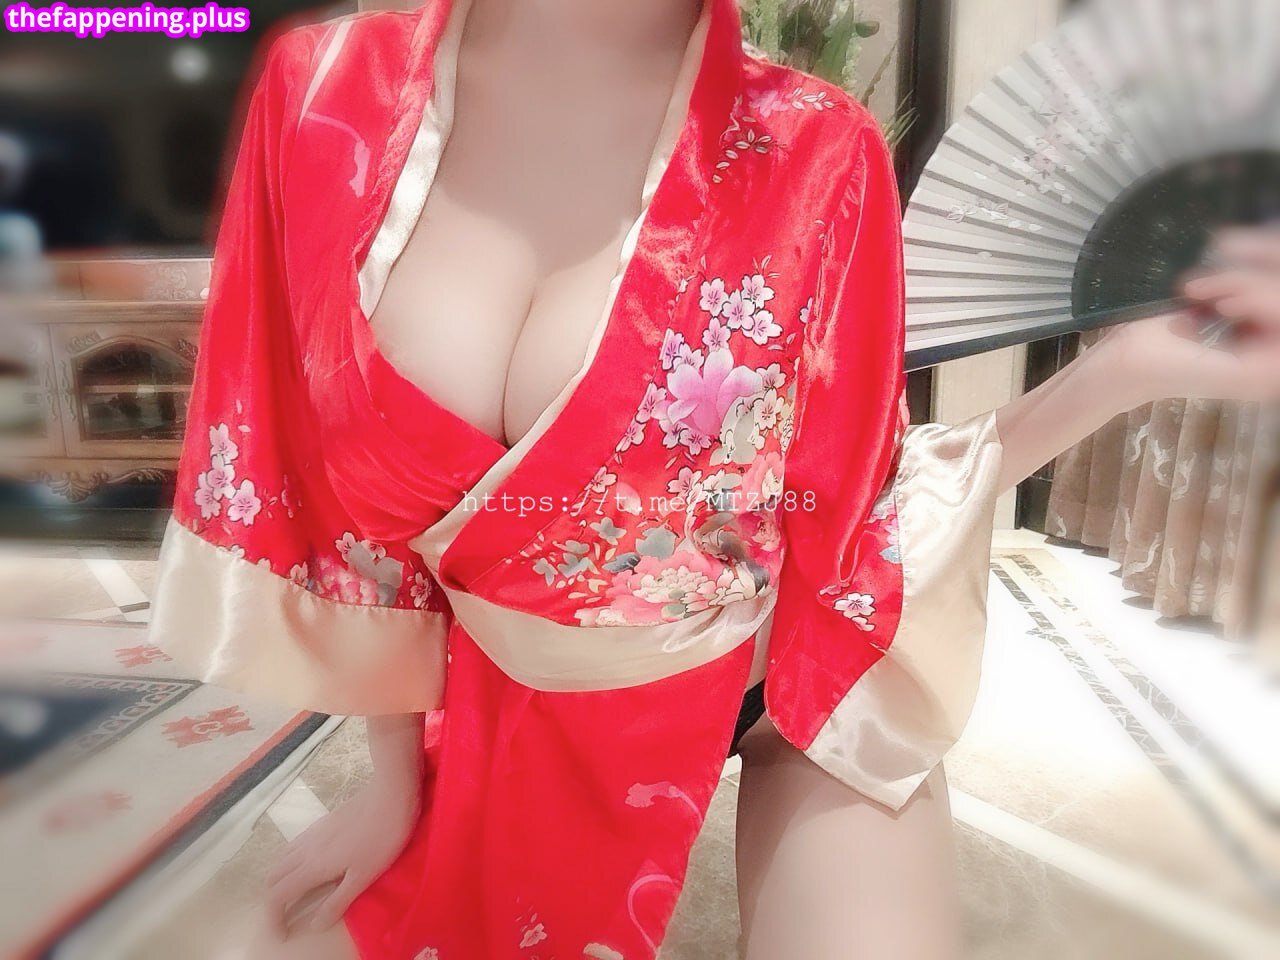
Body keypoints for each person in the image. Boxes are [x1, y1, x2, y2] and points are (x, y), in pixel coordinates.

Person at [146, 2, 1280, 958]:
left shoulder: (818, 150)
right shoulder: (323, 96)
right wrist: (391, 776)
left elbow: (857, 508)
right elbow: (320, 496)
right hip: (494, 687)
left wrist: (1120, 373)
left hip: (779, 675)